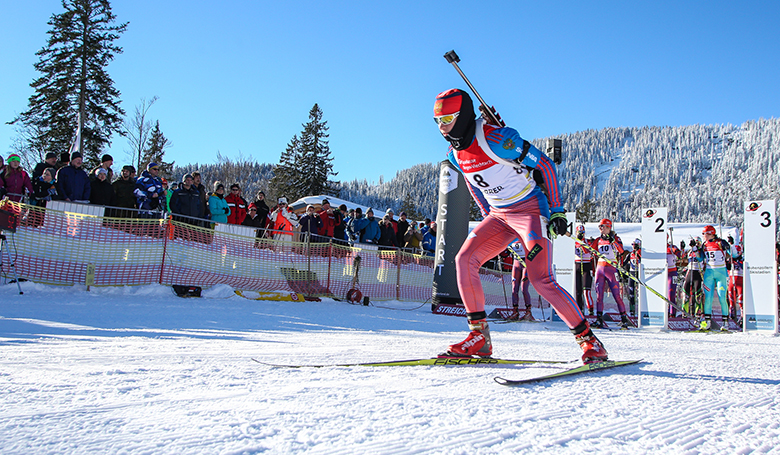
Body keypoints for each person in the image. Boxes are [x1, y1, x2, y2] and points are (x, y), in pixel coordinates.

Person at [433, 88, 606, 362]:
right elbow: (472, 183)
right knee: (464, 259)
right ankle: (479, 337)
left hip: (529, 212)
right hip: (500, 216)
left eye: (448, 119)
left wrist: (557, 211)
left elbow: (546, 166)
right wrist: (487, 212)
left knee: (541, 280)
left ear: (463, 116)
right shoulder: (454, 155)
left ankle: (589, 341)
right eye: (438, 121)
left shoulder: (497, 138)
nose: (443, 128)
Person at [588, 218, 631, 329]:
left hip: (611, 268)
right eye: (599, 227)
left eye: (602, 227)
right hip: (600, 268)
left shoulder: (615, 238)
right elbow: (589, 251)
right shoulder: (598, 240)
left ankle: (624, 320)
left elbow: (621, 251)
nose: (601, 229)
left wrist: (613, 241)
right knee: (599, 296)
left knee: (617, 295)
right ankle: (599, 320)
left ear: (608, 227)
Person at [701, 225, 732, 330]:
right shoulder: (704, 244)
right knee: (708, 298)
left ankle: (726, 324)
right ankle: (707, 322)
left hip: (721, 273)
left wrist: (729, 246)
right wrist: (695, 249)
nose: (704, 236)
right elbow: (700, 258)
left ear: (711, 233)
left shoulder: (720, 242)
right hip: (709, 273)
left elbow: (733, 254)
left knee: (722, 297)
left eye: (705, 234)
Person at [574, 224, 596, 316]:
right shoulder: (573, 241)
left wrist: (582, 242)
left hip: (586, 266)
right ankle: (580, 310)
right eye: (579, 232)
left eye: (583, 233)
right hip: (577, 266)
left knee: (586, 291)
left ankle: (590, 310)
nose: (581, 234)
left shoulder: (587, 241)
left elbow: (588, 251)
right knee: (578, 291)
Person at [508, 241, 533, 321]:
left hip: (526, 263)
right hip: (516, 264)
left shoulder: (525, 235)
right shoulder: (511, 237)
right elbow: (504, 252)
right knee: (514, 288)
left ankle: (528, 312)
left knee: (524, 288)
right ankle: (515, 311)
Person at [683, 237, 705, 318]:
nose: (697, 245)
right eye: (695, 243)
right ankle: (684, 312)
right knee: (686, 291)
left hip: (698, 272)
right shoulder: (689, 251)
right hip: (690, 271)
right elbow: (684, 259)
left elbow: (700, 258)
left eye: (698, 243)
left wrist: (695, 249)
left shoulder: (701, 251)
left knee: (698, 294)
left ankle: (698, 312)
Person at [727, 234, 744, 327]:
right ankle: (732, 315)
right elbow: (727, 268)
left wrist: (738, 261)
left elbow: (744, 267)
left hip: (740, 281)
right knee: (731, 299)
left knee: (741, 300)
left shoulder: (742, 259)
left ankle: (742, 316)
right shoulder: (731, 259)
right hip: (732, 280)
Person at [666, 239, 683, 317]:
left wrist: (680, 250)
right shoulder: (656, 248)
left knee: (671, 293)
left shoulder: (671, 247)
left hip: (672, 272)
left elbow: (680, 255)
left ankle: (672, 313)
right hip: (661, 273)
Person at [626, 238, 642, 316]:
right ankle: (632, 311)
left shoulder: (641, 253)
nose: (633, 247)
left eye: (635, 245)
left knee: (640, 293)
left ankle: (641, 311)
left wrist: (638, 254)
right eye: (632, 245)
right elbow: (624, 262)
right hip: (632, 273)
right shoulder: (631, 254)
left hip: (639, 273)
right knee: (631, 293)